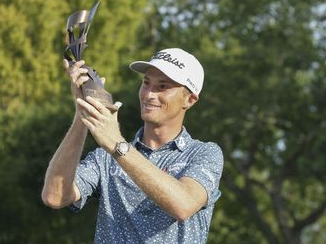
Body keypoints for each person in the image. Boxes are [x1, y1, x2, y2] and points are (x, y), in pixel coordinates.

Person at [41, 48, 224, 243]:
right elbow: (54, 196)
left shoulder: (204, 153)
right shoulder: (105, 157)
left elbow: (183, 204)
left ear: (190, 99)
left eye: (162, 86)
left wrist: (117, 144)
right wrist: (82, 113)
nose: (149, 94)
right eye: (146, 83)